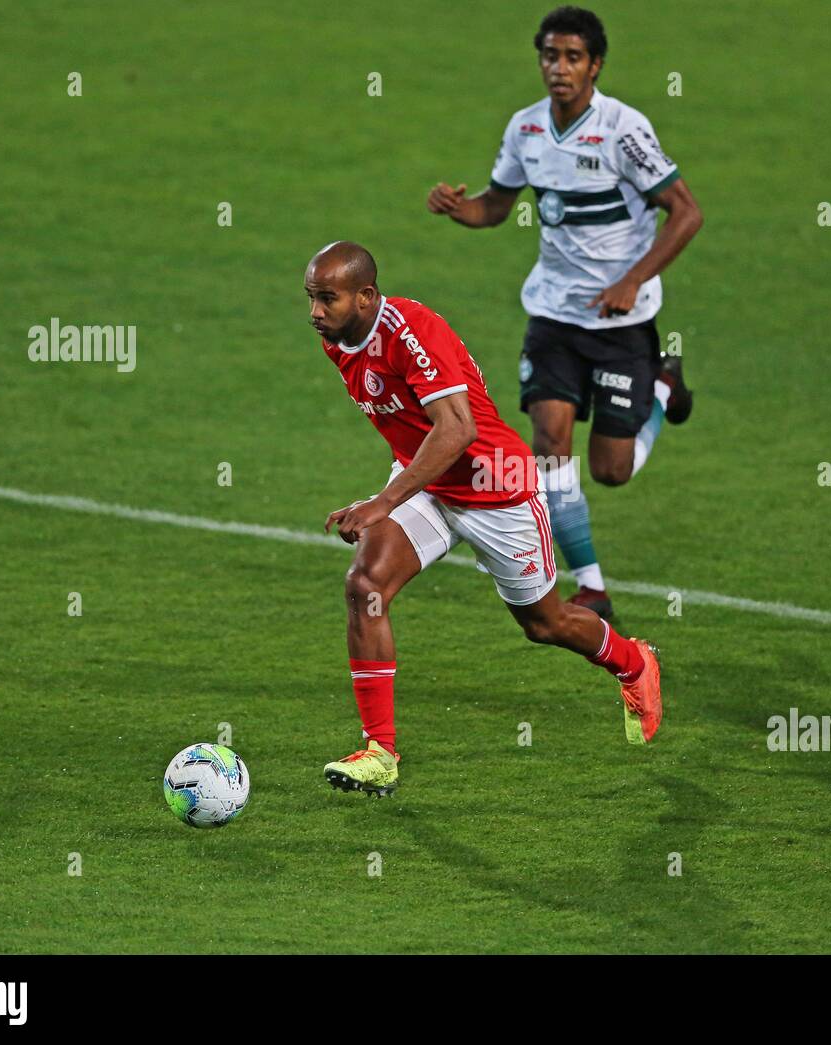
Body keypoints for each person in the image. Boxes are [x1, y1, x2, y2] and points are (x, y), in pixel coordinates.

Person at [306, 241, 663, 796]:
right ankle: (380, 752)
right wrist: (399, 496)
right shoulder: (340, 341)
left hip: (496, 490)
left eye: (328, 299)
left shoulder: (412, 331)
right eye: (311, 298)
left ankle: (632, 662)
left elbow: (458, 430)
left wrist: (382, 501)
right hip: (429, 486)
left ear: (366, 296)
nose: (316, 312)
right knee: (365, 584)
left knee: (545, 625)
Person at [427, 5, 703, 620]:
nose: (559, 68)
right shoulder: (526, 130)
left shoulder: (624, 131)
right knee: (549, 443)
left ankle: (661, 386)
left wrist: (632, 281)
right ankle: (592, 586)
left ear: (595, 65)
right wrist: (458, 207)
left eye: (573, 57)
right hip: (552, 315)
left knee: (610, 470)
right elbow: (495, 207)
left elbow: (686, 212)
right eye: (550, 55)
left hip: (619, 325)